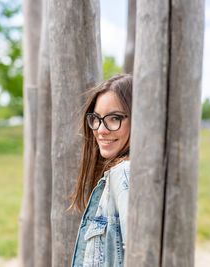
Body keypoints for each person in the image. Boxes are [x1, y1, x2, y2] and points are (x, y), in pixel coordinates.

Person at [69, 74, 132, 267]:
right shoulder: (116, 174)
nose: (100, 129)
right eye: (96, 118)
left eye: (114, 118)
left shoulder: (126, 174)